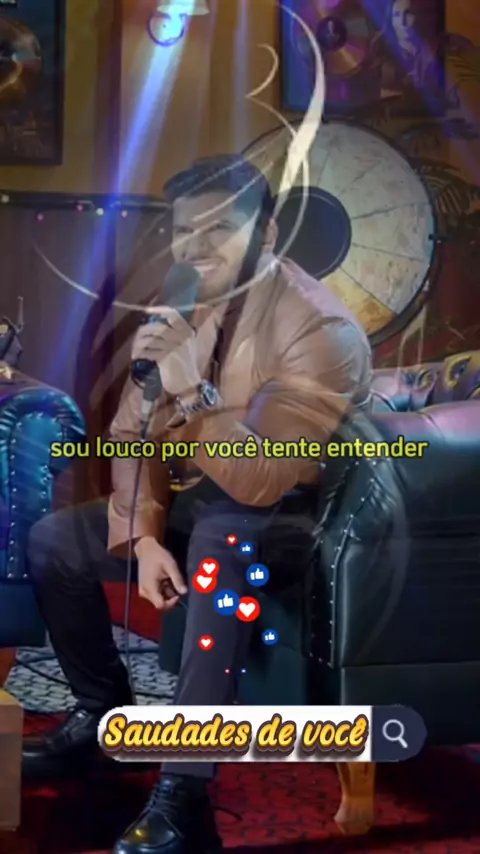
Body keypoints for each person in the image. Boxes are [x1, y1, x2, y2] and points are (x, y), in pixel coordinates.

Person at [23, 154, 372, 854]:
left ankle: (183, 793)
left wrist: (191, 393)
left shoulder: (321, 331)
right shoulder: (187, 303)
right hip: (209, 497)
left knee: (220, 538)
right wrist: (146, 537)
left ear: (265, 233)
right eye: (186, 230)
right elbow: (131, 431)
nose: (196, 247)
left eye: (219, 229)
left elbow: (267, 478)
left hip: (307, 519)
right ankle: (103, 718)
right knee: (57, 541)